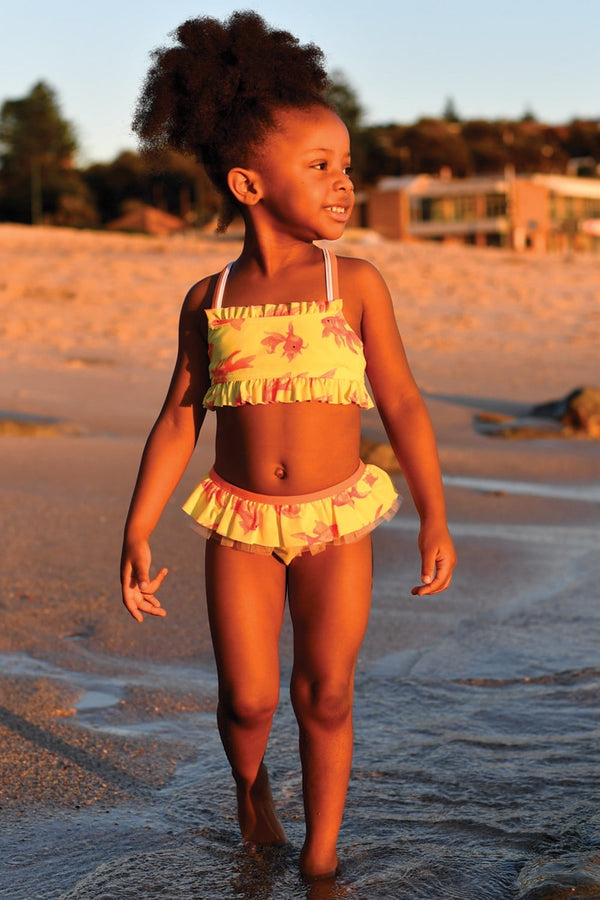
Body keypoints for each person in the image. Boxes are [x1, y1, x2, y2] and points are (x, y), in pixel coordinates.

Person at [120, 11, 456, 882]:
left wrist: (434, 516)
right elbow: (179, 418)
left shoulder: (358, 284)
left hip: (337, 517)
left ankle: (320, 859)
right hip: (239, 522)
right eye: (320, 167)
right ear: (247, 183)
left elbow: (405, 403)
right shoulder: (210, 296)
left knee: (327, 693)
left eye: (347, 166)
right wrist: (138, 527)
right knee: (248, 700)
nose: (344, 183)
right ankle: (249, 788)